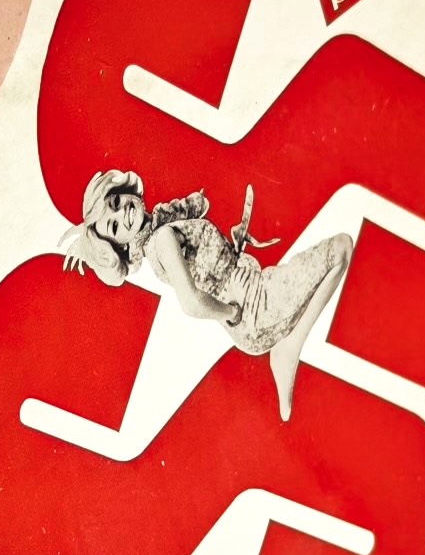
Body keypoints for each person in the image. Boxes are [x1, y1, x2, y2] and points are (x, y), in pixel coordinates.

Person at [58, 165, 355, 417]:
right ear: (120, 246)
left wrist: (230, 250)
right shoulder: (161, 239)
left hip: (254, 296)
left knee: (338, 253)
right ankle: (288, 349)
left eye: (116, 202)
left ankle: (286, 350)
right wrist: (232, 312)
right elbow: (190, 303)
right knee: (341, 248)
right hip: (253, 311)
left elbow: (207, 266)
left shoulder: (163, 225)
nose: (123, 212)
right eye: (114, 226)